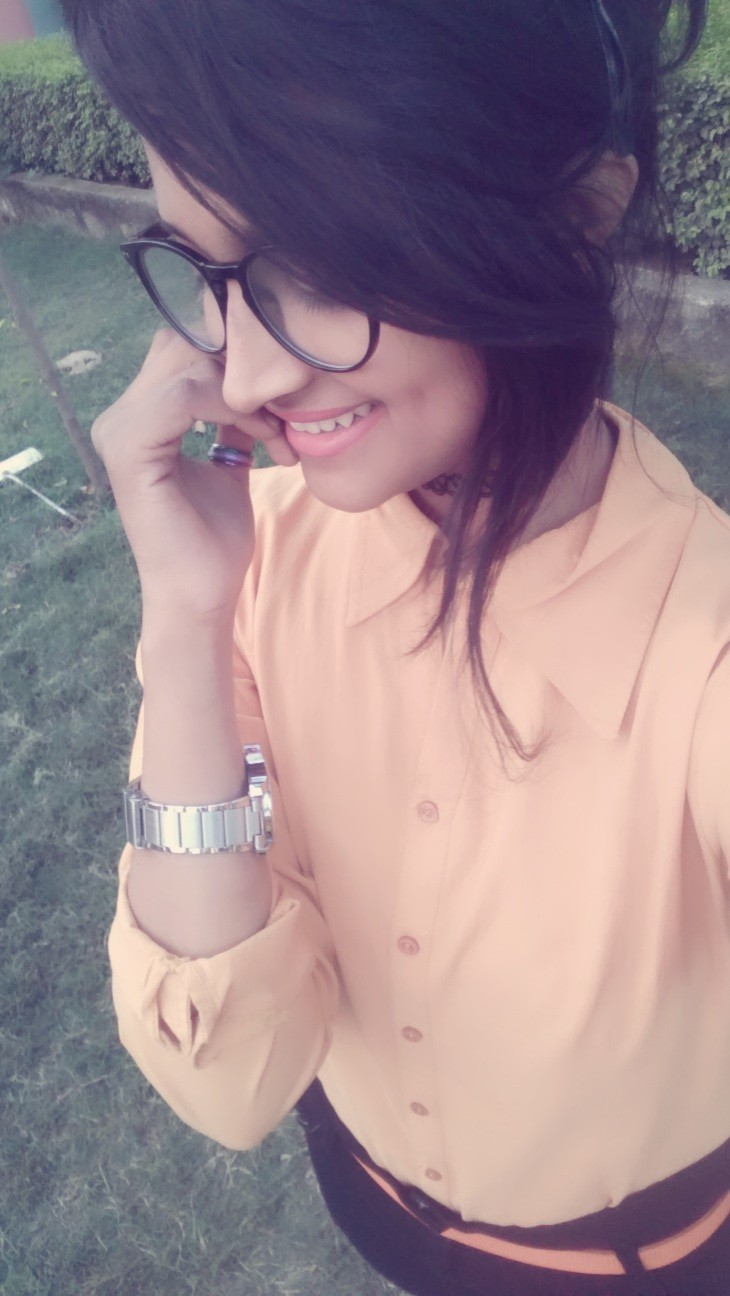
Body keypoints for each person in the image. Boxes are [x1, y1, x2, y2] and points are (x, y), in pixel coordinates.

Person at [61, 0, 730, 1292]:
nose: (244, 378)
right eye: (208, 278)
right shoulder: (258, 553)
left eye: (316, 263)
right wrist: (185, 617)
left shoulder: (698, 651)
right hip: (369, 1201)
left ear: (576, 211)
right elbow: (232, 1079)